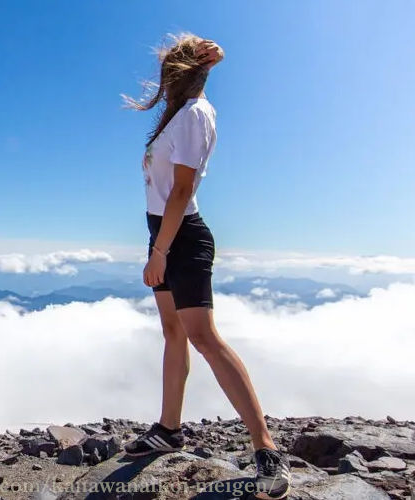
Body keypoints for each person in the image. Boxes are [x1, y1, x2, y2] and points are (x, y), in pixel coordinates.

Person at [120, 33, 291, 499]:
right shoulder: (179, 117)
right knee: (174, 334)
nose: (162, 79)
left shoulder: (195, 114)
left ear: (182, 73)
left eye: (170, 69)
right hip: (165, 235)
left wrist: (159, 253)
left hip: (182, 238)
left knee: (204, 337)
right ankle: (169, 429)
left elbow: (181, 191)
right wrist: (156, 246)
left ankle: (266, 448)